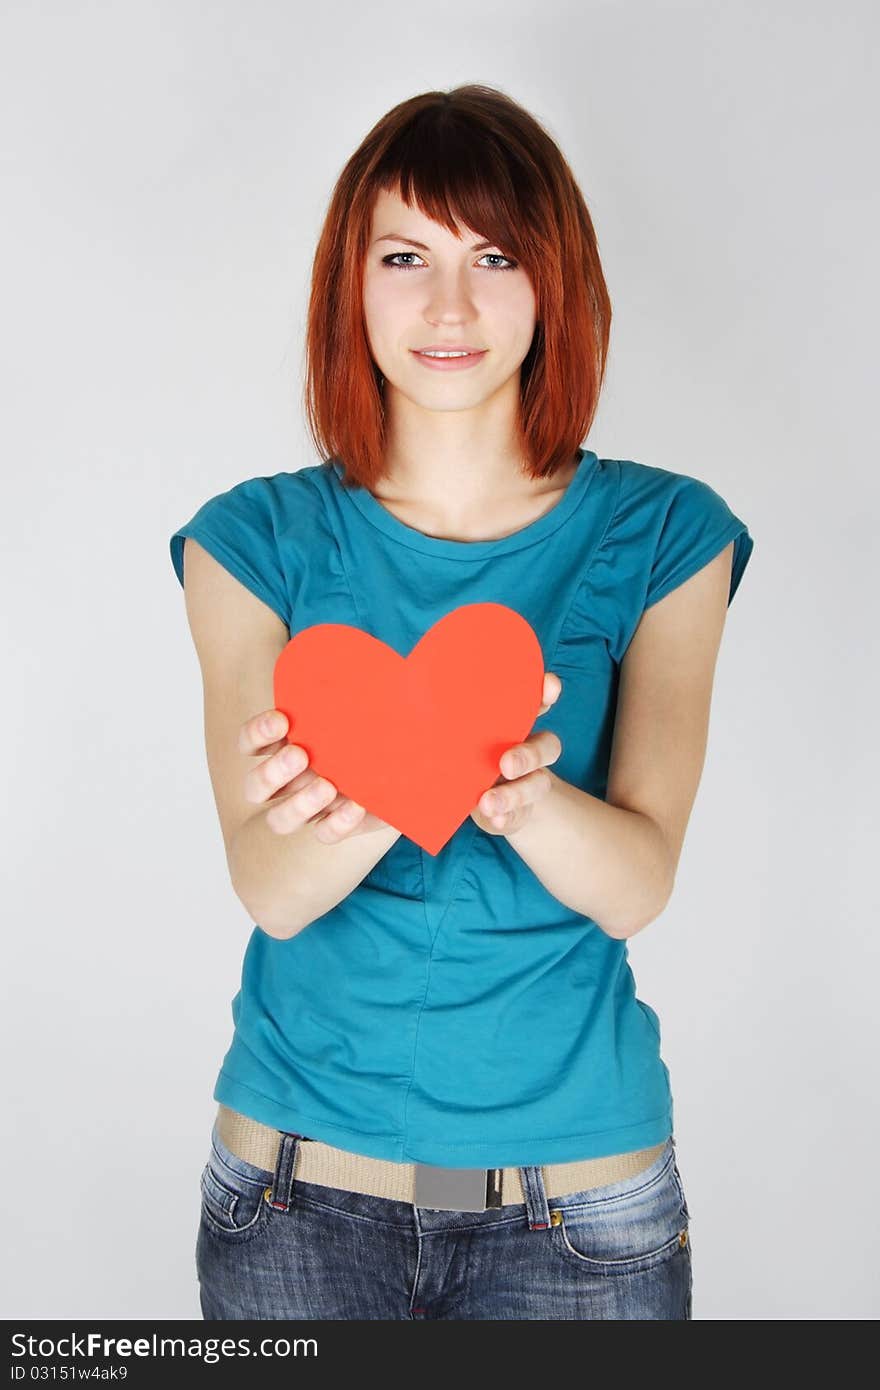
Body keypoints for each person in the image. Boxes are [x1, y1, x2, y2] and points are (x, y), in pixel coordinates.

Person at [169, 84, 754, 1321]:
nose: (449, 305)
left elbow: (639, 879)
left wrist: (520, 792)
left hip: (580, 1212)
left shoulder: (664, 534)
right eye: (404, 255)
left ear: (553, 281)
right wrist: (412, 767)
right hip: (291, 1200)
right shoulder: (249, 540)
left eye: (493, 256)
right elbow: (272, 885)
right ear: (352, 282)